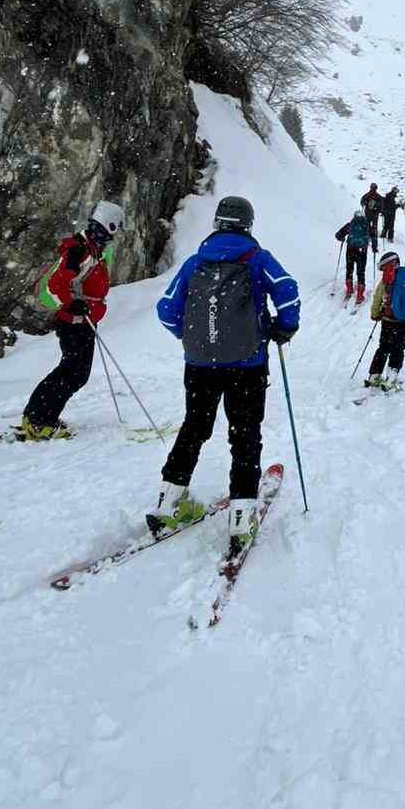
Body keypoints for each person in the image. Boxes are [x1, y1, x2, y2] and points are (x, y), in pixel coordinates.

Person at [150, 195, 300, 548]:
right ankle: (241, 516)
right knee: (245, 434)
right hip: (247, 364)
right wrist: (283, 328)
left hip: (200, 365)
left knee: (194, 427)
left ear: (217, 224)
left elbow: (166, 310)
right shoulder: (257, 259)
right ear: (248, 226)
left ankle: (167, 502)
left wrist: (192, 337)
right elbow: (288, 291)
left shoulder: (193, 264)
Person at [16, 200, 125, 441]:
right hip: (73, 321)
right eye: (113, 231)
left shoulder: (91, 249)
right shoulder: (80, 251)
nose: (112, 238)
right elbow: (57, 284)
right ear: (109, 226)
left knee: (74, 372)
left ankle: (40, 417)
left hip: (82, 320)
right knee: (73, 372)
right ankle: (38, 420)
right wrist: (71, 303)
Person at [364, 249, 405, 387]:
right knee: (398, 349)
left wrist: (375, 314)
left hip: (388, 320)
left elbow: (377, 298)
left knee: (383, 348)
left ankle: (374, 376)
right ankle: (391, 378)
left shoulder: (386, 281)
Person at [335, 209, 371, 304]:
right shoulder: (366, 225)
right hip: (362, 251)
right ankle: (359, 295)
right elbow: (373, 237)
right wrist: (374, 247)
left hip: (350, 250)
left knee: (349, 269)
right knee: (361, 272)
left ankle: (349, 289)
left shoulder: (350, 225)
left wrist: (342, 238)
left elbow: (338, 235)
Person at [360, 183, 383, 250]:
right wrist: (378, 210)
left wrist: (365, 204)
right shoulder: (378, 196)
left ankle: (368, 237)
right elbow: (381, 206)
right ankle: (373, 242)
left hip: (369, 213)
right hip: (374, 214)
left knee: (368, 225)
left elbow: (362, 201)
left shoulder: (367, 195)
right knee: (374, 227)